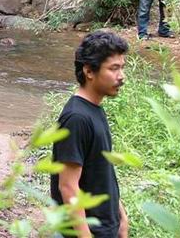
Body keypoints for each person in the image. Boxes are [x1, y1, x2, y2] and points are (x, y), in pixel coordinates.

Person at [51, 31, 129, 238]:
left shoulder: (93, 109)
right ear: (89, 71)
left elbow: (102, 170)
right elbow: (68, 186)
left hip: (106, 226)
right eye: (113, 68)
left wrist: (121, 216)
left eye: (122, 67)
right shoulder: (76, 119)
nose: (121, 76)